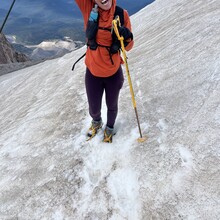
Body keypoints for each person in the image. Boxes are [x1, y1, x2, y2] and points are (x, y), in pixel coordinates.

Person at [74, 0, 134, 143]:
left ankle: (110, 128)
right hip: (93, 72)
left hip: (113, 73)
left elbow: (128, 47)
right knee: (93, 108)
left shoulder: (121, 14)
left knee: (112, 105)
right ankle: (97, 122)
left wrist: (126, 35)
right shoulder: (89, 9)